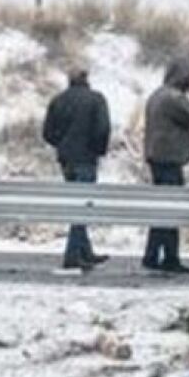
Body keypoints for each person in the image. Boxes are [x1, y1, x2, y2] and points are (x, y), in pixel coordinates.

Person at [43, 67, 112, 271]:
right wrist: (97, 149)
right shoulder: (96, 99)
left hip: (66, 159)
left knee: (76, 204)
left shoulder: (58, 100)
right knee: (83, 206)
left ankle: (84, 251)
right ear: (86, 79)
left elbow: (47, 132)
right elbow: (103, 128)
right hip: (86, 158)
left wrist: (61, 145)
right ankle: (73, 255)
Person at [141, 58, 189, 273]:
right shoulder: (172, 98)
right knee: (171, 210)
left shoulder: (158, 95)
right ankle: (168, 257)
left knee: (162, 209)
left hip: (158, 157)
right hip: (169, 159)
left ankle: (155, 255)